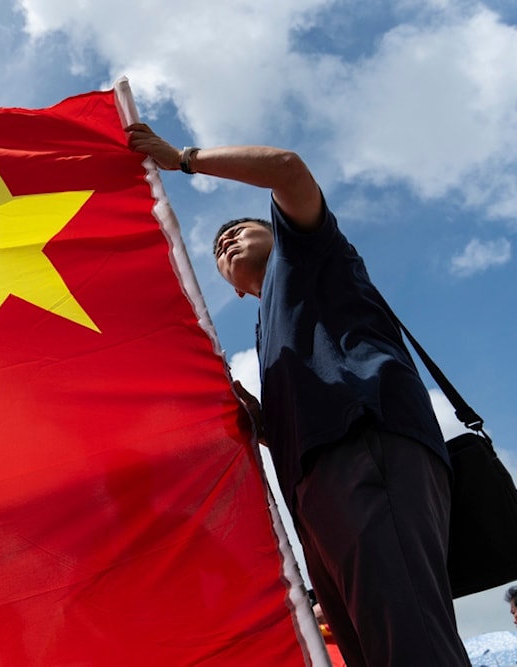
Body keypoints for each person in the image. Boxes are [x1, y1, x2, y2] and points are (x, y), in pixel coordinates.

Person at [126, 123, 470, 666]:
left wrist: (182, 159)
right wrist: (262, 422)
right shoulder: (267, 330)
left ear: (279, 233)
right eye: (218, 249)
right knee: (375, 649)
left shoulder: (308, 253)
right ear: (236, 290)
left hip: (365, 450)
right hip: (315, 493)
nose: (225, 240)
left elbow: (287, 168)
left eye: (241, 229)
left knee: (411, 645)